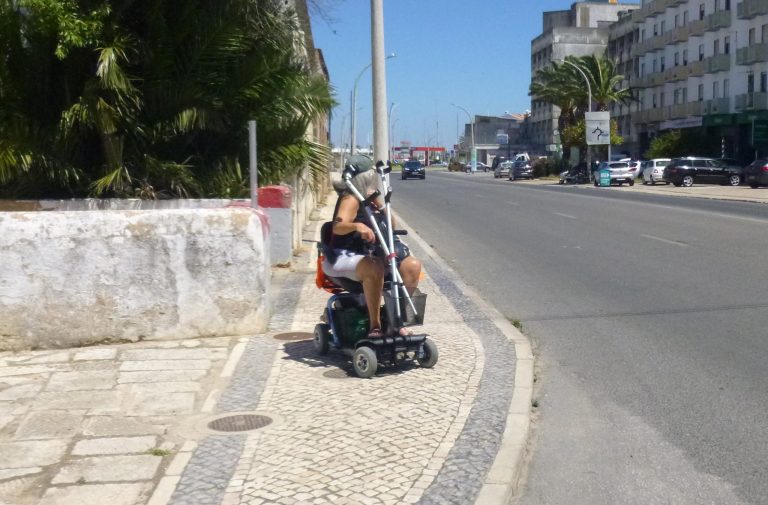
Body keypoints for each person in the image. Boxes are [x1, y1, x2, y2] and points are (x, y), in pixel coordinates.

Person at [322, 155, 422, 338]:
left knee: (412, 266)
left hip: (371, 255)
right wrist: (357, 226)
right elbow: (338, 226)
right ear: (365, 177)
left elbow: (391, 227)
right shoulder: (350, 198)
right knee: (374, 267)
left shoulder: (369, 198)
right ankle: (374, 327)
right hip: (343, 255)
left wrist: (380, 205)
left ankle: (395, 320)